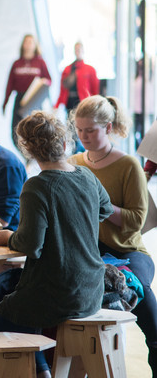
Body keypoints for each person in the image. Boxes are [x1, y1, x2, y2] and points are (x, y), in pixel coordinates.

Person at [0, 111, 112, 378]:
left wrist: (6, 237)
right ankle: (41, 371)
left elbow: (30, 245)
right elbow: (105, 209)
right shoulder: (86, 176)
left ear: (27, 149)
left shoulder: (37, 186)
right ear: (64, 142)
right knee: (17, 301)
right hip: (91, 289)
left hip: (57, 292)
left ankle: (39, 370)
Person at [69, 95, 157, 373]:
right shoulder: (73, 163)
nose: (83, 136)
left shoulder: (128, 165)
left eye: (90, 130)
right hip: (89, 251)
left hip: (128, 250)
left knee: (139, 296)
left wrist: (100, 206)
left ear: (108, 128)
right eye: (79, 130)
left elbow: (135, 221)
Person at [3, 34, 52, 150]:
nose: (28, 44)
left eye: (31, 42)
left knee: (36, 132)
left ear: (35, 45)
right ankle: (27, 157)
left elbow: (49, 80)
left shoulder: (40, 62)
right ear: (23, 45)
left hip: (34, 100)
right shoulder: (16, 63)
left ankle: (37, 156)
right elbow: (9, 84)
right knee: (16, 132)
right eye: (26, 42)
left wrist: (44, 82)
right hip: (20, 100)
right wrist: (5, 103)